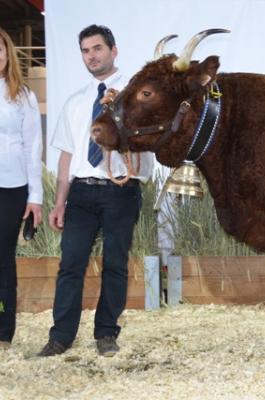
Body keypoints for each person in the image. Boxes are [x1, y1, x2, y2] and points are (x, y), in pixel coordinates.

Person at [38, 24, 154, 357]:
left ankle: (106, 333)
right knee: (70, 264)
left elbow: (146, 141)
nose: (92, 56)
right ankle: (60, 337)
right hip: (82, 194)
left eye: (98, 48)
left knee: (115, 263)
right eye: (86, 51)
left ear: (113, 51)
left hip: (121, 190)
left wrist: (122, 112)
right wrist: (59, 202)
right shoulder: (75, 103)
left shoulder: (135, 97)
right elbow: (66, 157)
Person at [0, 27, 43, 349]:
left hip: (12, 185)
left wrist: (36, 197)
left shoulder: (24, 95)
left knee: (3, 258)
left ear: (7, 54)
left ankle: (4, 330)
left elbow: (33, 148)